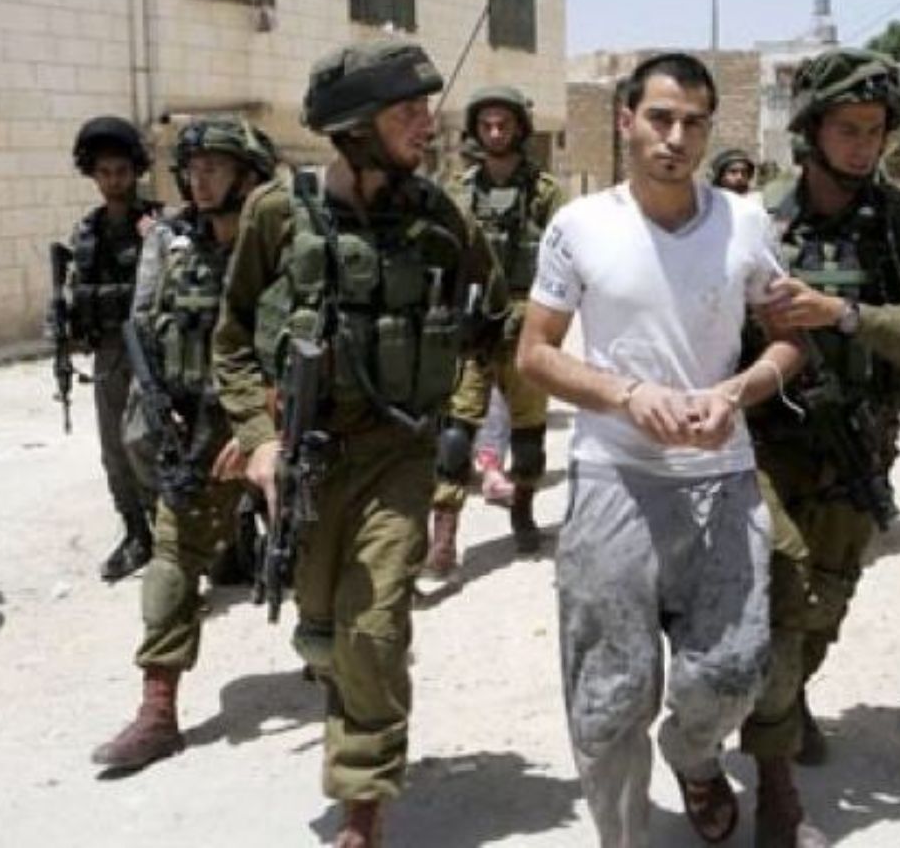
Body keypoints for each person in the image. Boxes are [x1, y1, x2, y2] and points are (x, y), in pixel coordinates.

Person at [208, 41, 504, 847]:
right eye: (408, 111)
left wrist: (469, 423)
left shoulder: (442, 219)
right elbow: (232, 340)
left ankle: (363, 803)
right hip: (309, 455)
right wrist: (258, 438)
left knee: (372, 624)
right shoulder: (278, 212)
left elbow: (494, 325)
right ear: (356, 127)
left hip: (399, 453)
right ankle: (355, 710)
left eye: (426, 108)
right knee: (322, 633)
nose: (428, 124)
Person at [516, 52, 803, 848]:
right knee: (609, 699)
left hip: (723, 476)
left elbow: (790, 342)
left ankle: (693, 751)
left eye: (693, 123)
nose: (676, 138)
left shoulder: (745, 223)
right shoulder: (580, 226)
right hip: (615, 478)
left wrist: (735, 392)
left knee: (732, 672)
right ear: (626, 121)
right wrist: (626, 395)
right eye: (660, 118)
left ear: (709, 130)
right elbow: (534, 353)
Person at [738, 48, 900, 848]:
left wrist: (843, 315)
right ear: (812, 132)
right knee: (782, 585)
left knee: (824, 603)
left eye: (875, 130)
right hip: (766, 442)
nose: (864, 146)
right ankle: (774, 783)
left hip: (857, 445)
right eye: (848, 129)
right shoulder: (757, 222)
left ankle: (788, 698)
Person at [90, 117, 275, 770]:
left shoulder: (279, 247)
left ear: (248, 176)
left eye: (215, 167)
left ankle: (342, 681)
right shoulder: (170, 245)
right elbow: (146, 325)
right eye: (192, 168)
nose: (200, 179)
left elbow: (306, 342)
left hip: (272, 427)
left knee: (314, 553)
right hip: (194, 427)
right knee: (171, 557)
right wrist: (160, 405)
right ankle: (158, 711)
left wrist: (261, 428)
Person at [422, 85, 568, 585]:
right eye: (486, 125)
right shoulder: (459, 190)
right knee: (455, 434)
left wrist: (545, 323)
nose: (495, 132)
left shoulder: (545, 192)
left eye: (504, 124)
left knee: (528, 433)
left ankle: (523, 510)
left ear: (520, 130)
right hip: (474, 323)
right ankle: (444, 536)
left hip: (528, 323)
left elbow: (565, 260)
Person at [60, 115, 160, 583]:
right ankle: (137, 532)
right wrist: (66, 328)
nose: (113, 181)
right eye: (104, 172)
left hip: (153, 350)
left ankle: (174, 530)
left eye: (121, 171)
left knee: (152, 440)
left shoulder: (157, 225)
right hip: (109, 352)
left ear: (135, 171)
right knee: (115, 448)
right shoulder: (87, 233)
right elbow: (73, 293)